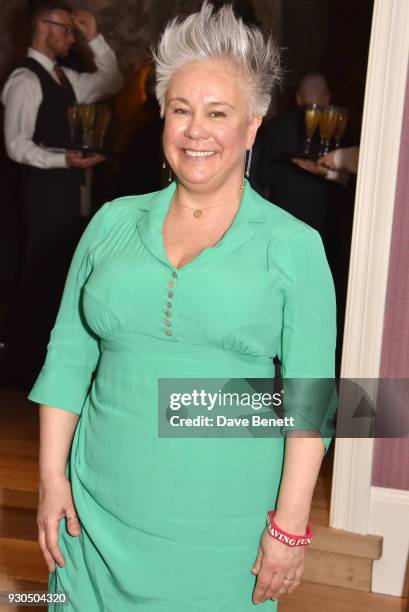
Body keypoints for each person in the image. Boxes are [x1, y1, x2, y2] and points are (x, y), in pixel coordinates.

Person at [28, 3, 337, 610]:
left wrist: (289, 529)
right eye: (181, 110)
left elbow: (312, 402)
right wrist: (50, 479)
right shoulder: (111, 223)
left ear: (252, 126)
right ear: (163, 117)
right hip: (91, 519)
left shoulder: (295, 247)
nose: (197, 131)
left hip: (224, 537)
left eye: (218, 113)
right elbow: (67, 354)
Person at [1, 0, 123, 388]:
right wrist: (63, 162)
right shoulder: (24, 79)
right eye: (67, 29)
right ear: (43, 27)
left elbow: (112, 81)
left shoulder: (65, 77)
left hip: (66, 192)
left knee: (57, 276)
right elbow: (16, 145)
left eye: (74, 31)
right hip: (39, 193)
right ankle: (18, 368)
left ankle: (40, 365)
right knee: (38, 274)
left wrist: (95, 38)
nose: (72, 37)